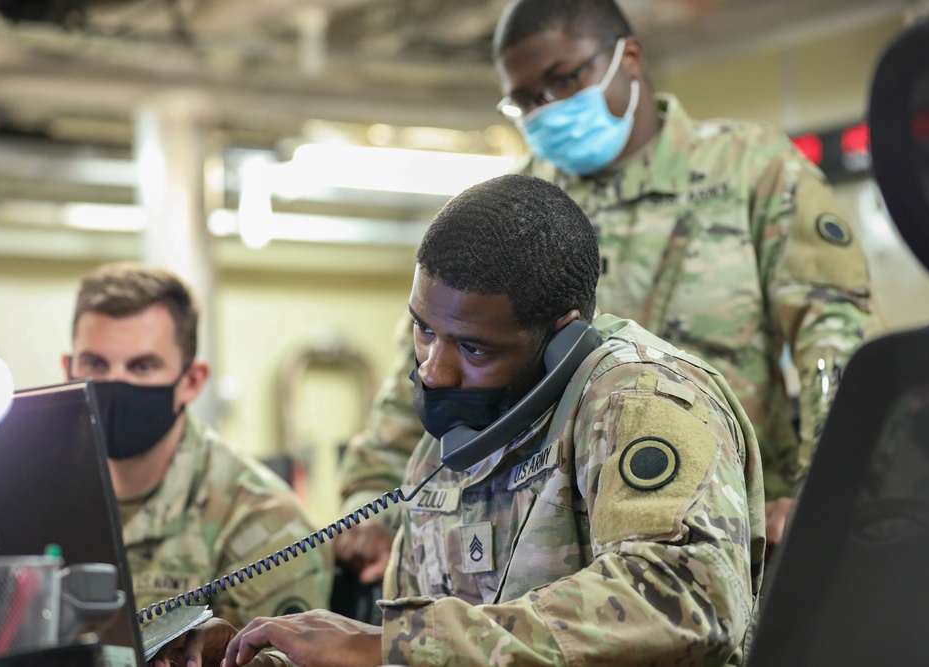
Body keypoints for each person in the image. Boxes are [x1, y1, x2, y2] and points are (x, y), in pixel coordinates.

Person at [335, 0, 880, 576]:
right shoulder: (518, 199)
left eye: (564, 80)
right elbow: (428, 358)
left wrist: (825, 493)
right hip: (543, 552)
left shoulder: (753, 171)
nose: (548, 109)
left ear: (631, 59)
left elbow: (835, 336)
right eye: (526, 100)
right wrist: (366, 501)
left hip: (724, 538)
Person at [171, 173, 765, 667]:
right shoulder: (456, 435)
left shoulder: (639, 400)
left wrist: (393, 647)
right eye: (424, 330)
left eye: (473, 348)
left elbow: (685, 601)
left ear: (561, 338)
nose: (434, 370)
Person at [63, 263, 332, 627]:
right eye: (95, 363)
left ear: (191, 381)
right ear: (68, 370)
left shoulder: (263, 523)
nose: (114, 384)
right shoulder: (33, 494)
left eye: (142, 367)